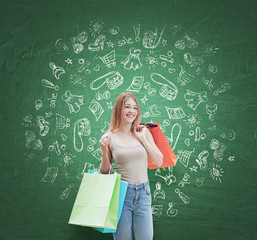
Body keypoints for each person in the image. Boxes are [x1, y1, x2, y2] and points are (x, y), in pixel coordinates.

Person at [99, 92, 163, 240]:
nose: (132, 111)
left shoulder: (143, 131)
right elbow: (105, 173)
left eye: (135, 108)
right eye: (127, 107)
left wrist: (143, 139)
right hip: (122, 194)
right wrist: (104, 152)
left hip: (143, 193)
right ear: (118, 109)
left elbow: (158, 161)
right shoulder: (109, 136)